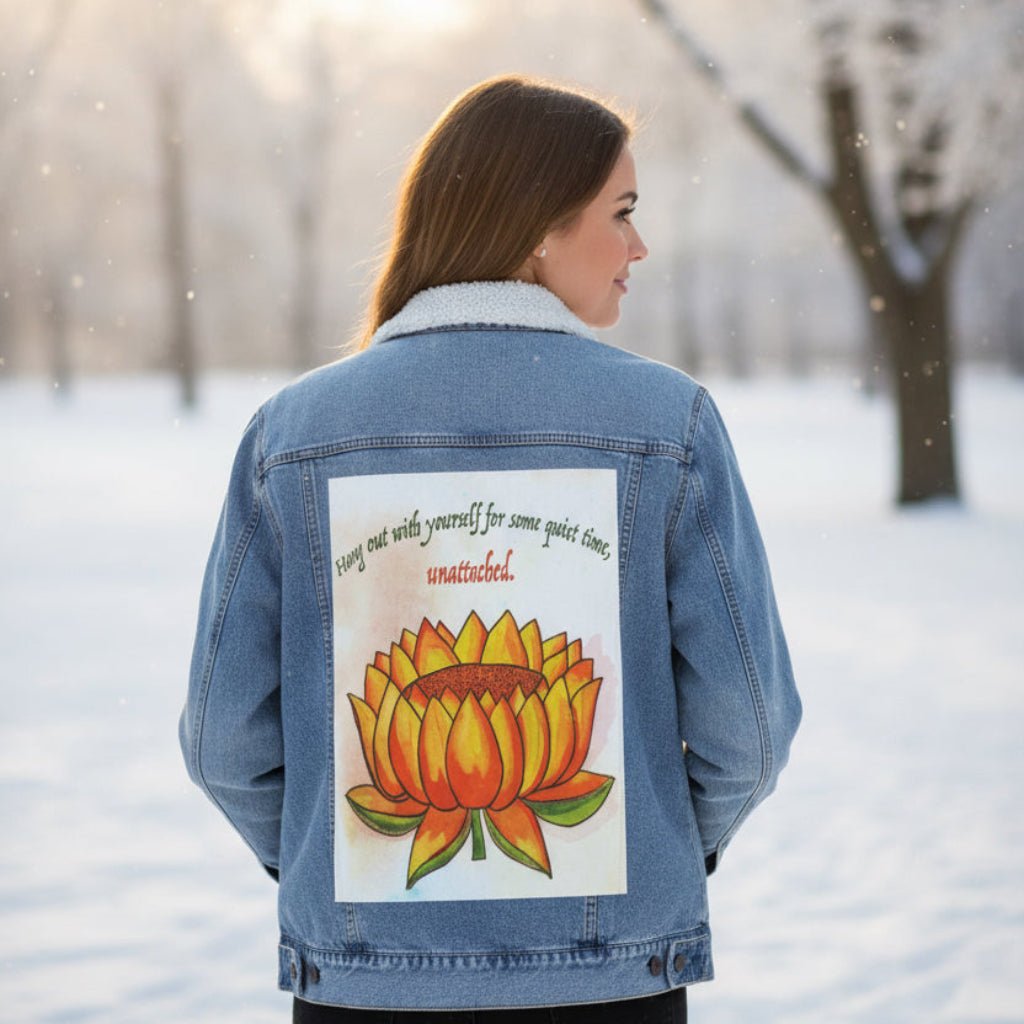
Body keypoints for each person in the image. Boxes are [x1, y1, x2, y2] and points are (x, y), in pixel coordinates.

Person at [180, 75, 801, 1023]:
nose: (640, 245)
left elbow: (225, 738)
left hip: (363, 987)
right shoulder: (666, 424)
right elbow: (747, 731)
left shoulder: (292, 434)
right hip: (609, 981)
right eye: (622, 212)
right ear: (538, 227)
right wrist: (659, 845)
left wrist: (326, 858)